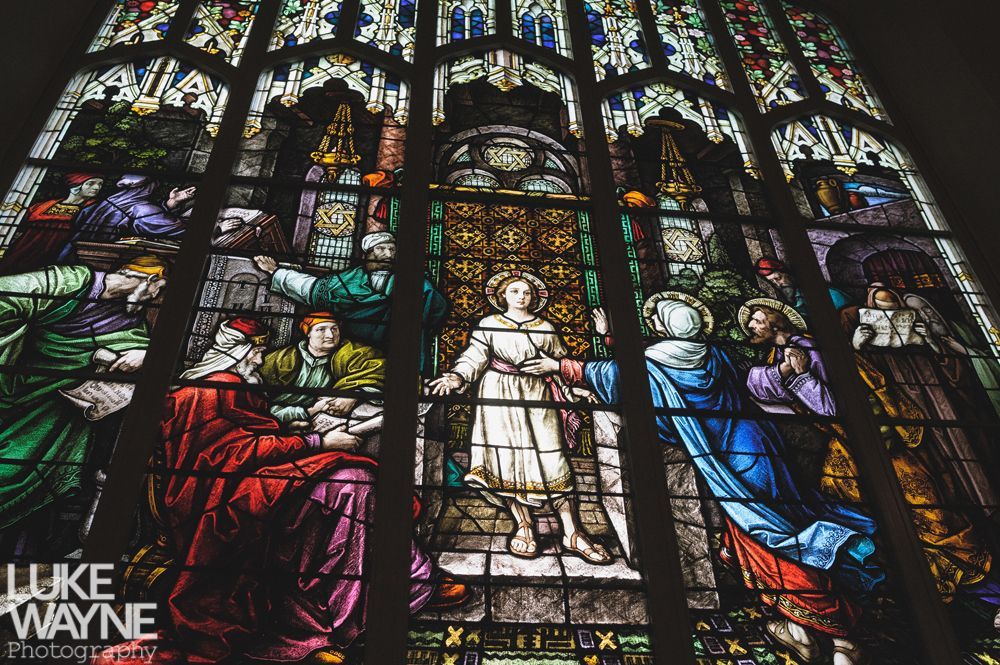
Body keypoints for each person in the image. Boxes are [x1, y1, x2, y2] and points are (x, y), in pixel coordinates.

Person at [525, 293, 882, 664]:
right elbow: (745, 381)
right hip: (760, 448)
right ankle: (799, 629)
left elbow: (617, 375)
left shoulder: (654, 363)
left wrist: (559, 365)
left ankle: (840, 632)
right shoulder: (715, 355)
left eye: (657, 323)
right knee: (786, 525)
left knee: (771, 540)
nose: (653, 328)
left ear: (663, 327)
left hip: (730, 469)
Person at [92, 318, 468, 665]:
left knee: (354, 484)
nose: (260, 359)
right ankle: (355, 605)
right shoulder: (215, 387)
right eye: (255, 352)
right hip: (220, 496)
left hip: (251, 481)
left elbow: (248, 437)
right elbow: (227, 453)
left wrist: (296, 428)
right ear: (237, 353)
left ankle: (402, 584)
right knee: (353, 484)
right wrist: (316, 440)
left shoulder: (232, 386)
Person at [743, 299, 999, 623]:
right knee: (862, 517)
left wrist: (803, 377)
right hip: (847, 449)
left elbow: (833, 407)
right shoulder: (778, 357)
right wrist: (788, 372)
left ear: (776, 319)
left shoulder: (813, 347)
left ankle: (988, 595)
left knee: (933, 516)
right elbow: (759, 386)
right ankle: (922, 605)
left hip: (879, 443)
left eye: (755, 318)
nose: (750, 326)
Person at [428, 270, 611, 565]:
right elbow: (474, 356)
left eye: (526, 292)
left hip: (538, 394)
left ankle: (573, 532)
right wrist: (456, 376)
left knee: (552, 461)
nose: (521, 296)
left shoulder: (546, 327)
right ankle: (524, 526)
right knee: (507, 460)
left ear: (534, 298)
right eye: (514, 291)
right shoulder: (488, 324)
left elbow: (558, 362)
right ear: (502, 296)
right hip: (497, 395)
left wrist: (573, 390)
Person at [0, 255, 167, 529]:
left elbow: (142, 353)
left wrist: (147, 353)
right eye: (158, 289)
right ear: (149, 279)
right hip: (14, 383)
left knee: (22, 468)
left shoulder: (128, 321)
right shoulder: (71, 281)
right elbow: (8, 296)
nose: (154, 297)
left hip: (56, 408)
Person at [844, 285, 998, 511]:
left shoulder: (921, 333)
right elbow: (860, 380)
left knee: (960, 441)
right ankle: (959, 506)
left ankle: (986, 502)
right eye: (882, 308)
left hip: (940, 401)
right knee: (929, 454)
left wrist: (932, 343)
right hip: (901, 405)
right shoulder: (869, 343)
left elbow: (956, 375)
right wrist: (856, 346)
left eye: (894, 307)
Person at [254, 231, 447, 372]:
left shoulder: (414, 281)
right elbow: (311, 289)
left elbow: (436, 308)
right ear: (367, 254)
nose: (389, 254)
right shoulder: (345, 281)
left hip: (402, 349)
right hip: (352, 349)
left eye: (392, 249)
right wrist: (276, 272)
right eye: (381, 249)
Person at [260, 312, 385, 428]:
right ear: (308, 332)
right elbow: (254, 401)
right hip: (274, 417)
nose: (330, 335)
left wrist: (353, 395)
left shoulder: (354, 353)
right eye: (321, 329)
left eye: (334, 329)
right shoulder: (279, 358)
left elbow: (381, 372)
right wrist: (304, 412)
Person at [59, 174, 196, 261]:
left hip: (71, 253)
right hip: (102, 258)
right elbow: (178, 230)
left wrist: (171, 203)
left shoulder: (104, 203)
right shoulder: (141, 208)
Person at [0, 172, 103, 274]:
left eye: (100, 184)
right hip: (24, 249)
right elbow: (20, 227)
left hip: (56, 253)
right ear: (76, 185)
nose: (96, 187)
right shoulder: (42, 206)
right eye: (91, 183)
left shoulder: (93, 209)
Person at [755, 257, 852, 319]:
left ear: (787, 274)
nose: (777, 284)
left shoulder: (828, 293)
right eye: (772, 282)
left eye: (778, 278)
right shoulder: (793, 303)